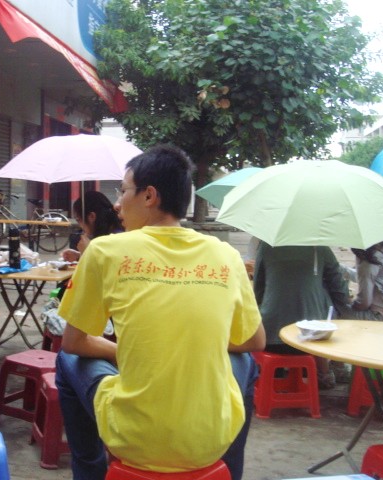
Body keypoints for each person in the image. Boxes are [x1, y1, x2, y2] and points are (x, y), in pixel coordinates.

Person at [55, 145, 265, 479]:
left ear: (149, 195)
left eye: (123, 191)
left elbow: (74, 341)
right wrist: (194, 345)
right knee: (246, 363)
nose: (117, 204)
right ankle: (230, 472)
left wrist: (128, 352)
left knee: (66, 360)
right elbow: (254, 340)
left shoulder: (104, 250)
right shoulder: (226, 255)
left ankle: (90, 472)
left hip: (135, 440)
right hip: (210, 441)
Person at [252, 242, 351, 389]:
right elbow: (339, 288)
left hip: (270, 339)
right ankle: (325, 373)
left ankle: (318, 372)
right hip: (309, 343)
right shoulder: (319, 247)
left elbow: (258, 289)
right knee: (325, 301)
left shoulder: (266, 247)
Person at [345, 240, 383, 322]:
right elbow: (367, 278)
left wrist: (351, 305)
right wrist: (343, 270)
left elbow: (364, 303)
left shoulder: (370, 260)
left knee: (339, 310)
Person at [62, 191, 122, 262]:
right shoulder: (108, 232)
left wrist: (88, 251)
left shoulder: (116, 238)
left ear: (92, 216)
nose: (80, 226)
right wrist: (78, 255)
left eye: (78, 220)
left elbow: (107, 266)